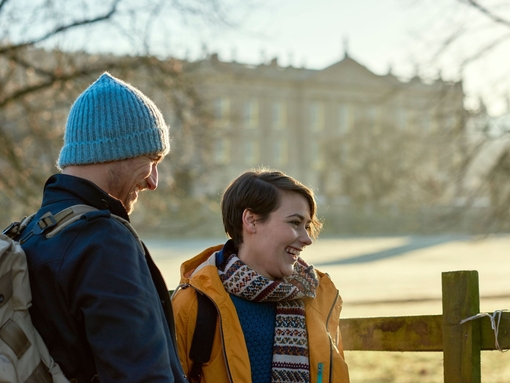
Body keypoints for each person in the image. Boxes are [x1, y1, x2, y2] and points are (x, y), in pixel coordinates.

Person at [15, 72, 187, 382]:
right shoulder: (104, 241)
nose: (153, 181)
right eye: (153, 159)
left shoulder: (30, 233)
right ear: (118, 151)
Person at [172, 169, 350, 383]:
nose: (307, 239)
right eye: (294, 223)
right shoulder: (194, 305)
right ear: (251, 220)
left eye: (307, 226)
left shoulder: (318, 297)